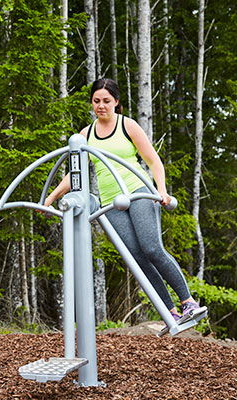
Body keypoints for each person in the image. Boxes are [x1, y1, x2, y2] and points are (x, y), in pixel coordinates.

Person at [44, 78, 206, 331]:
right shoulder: (86, 135)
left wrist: (160, 190)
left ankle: (188, 302)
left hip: (137, 192)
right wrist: (52, 197)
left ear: (116, 102)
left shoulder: (126, 125)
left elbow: (153, 161)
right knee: (138, 258)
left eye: (106, 101)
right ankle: (170, 313)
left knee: (151, 248)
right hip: (112, 204)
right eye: (96, 101)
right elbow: (75, 174)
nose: (101, 106)